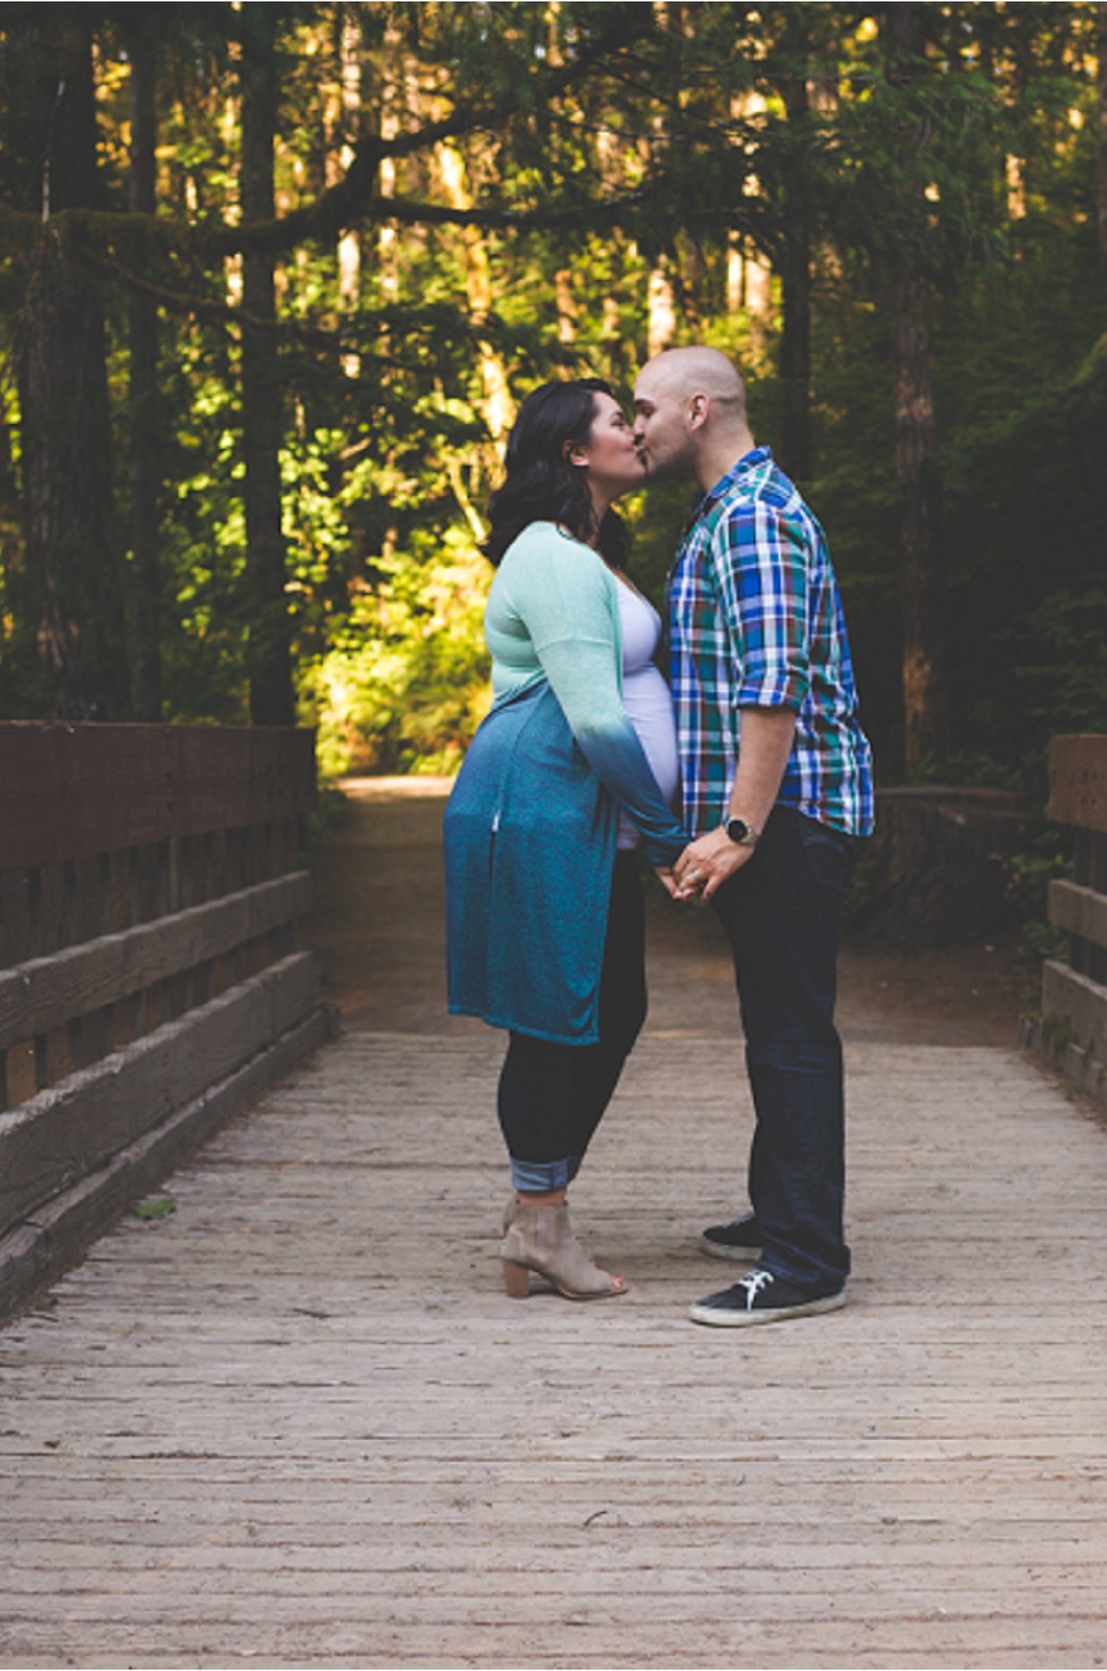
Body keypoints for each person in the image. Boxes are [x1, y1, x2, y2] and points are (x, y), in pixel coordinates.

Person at [631, 346, 876, 1328]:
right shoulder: (727, 511)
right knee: (775, 1027)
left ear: (697, 409)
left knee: (789, 1038)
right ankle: (783, 1210)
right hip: (777, 818)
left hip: (790, 817)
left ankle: (806, 1259)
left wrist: (736, 827)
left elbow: (768, 692)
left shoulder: (755, 518)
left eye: (643, 408)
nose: (632, 426)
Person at [444, 379, 692, 1302]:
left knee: (609, 1010)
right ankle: (538, 1221)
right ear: (574, 451)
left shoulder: (592, 550)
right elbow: (592, 717)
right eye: (615, 418)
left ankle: (534, 1215)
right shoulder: (549, 556)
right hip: (541, 806)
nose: (634, 428)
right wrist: (668, 836)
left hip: (585, 822)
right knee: (559, 1021)